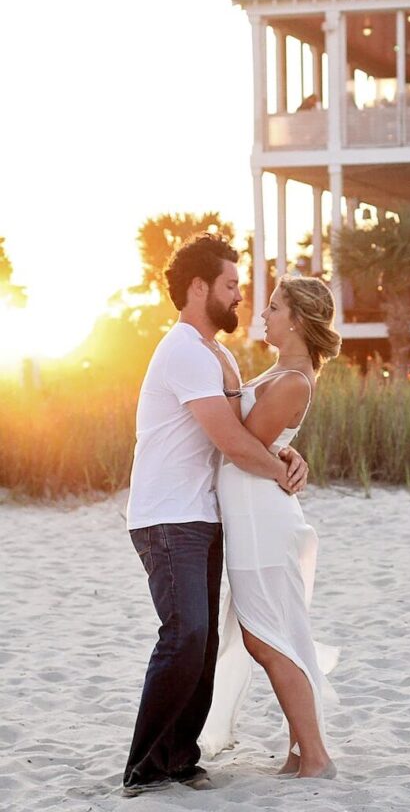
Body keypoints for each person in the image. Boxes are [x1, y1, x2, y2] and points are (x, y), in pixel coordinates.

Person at [122, 234, 308, 799]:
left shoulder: (217, 354)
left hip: (201, 514)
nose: (239, 296)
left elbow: (250, 431)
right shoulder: (182, 349)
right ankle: (144, 767)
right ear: (199, 288)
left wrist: (285, 452)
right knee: (186, 634)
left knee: (200, 645)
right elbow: (229, 441)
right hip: (166, 516)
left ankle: (179, 758)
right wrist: (278, 471)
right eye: (230, 285)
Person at [199, 275, 341, 779]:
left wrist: (225, 372)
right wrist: (286, 452)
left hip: (262, 518)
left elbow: (241, 444)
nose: (264, 314)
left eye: (275, 307)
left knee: (267, 638)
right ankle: (301, 751)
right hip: (252, 515)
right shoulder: (281, 374)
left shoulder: (294, 380)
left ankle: (316, 756)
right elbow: (264, 443)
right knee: (272, 634)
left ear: (299, 319)